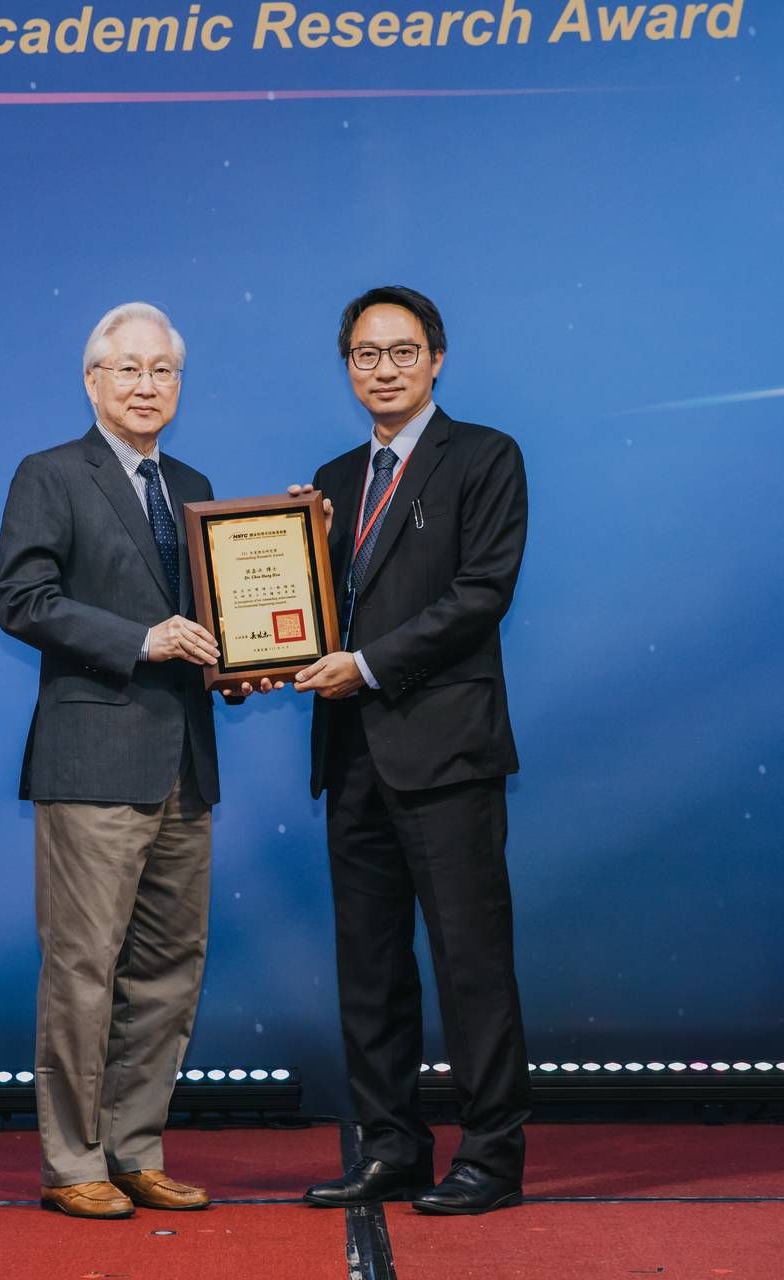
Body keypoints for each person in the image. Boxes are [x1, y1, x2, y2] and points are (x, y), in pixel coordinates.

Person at [0, 301, 266, 1219]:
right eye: (129, 369)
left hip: (184, 761)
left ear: (179, 385)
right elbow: (23, 600)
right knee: (83, 971)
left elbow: (209, 623)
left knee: (169, 970)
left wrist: (240, 666)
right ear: (92, 380)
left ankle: (135, 1150)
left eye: (164, 371)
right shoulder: (49, 474)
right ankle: (73, 1162)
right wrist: (143, 641)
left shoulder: (193, 484)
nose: (147, 386)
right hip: (91, 763)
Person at [293, 285, 532, 1215]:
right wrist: (297, 558)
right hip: (352, 753)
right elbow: (319, 610)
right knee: (371, 969)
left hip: (446, 753)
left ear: (436, 358)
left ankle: (492, 1157)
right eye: (365, 354)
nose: (383, 369)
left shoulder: (484, 456)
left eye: (401, 352)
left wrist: (367, 665)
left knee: (472, 963)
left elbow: (481, 594)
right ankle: (390, 1148)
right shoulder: (334, 478)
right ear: (346, 367)